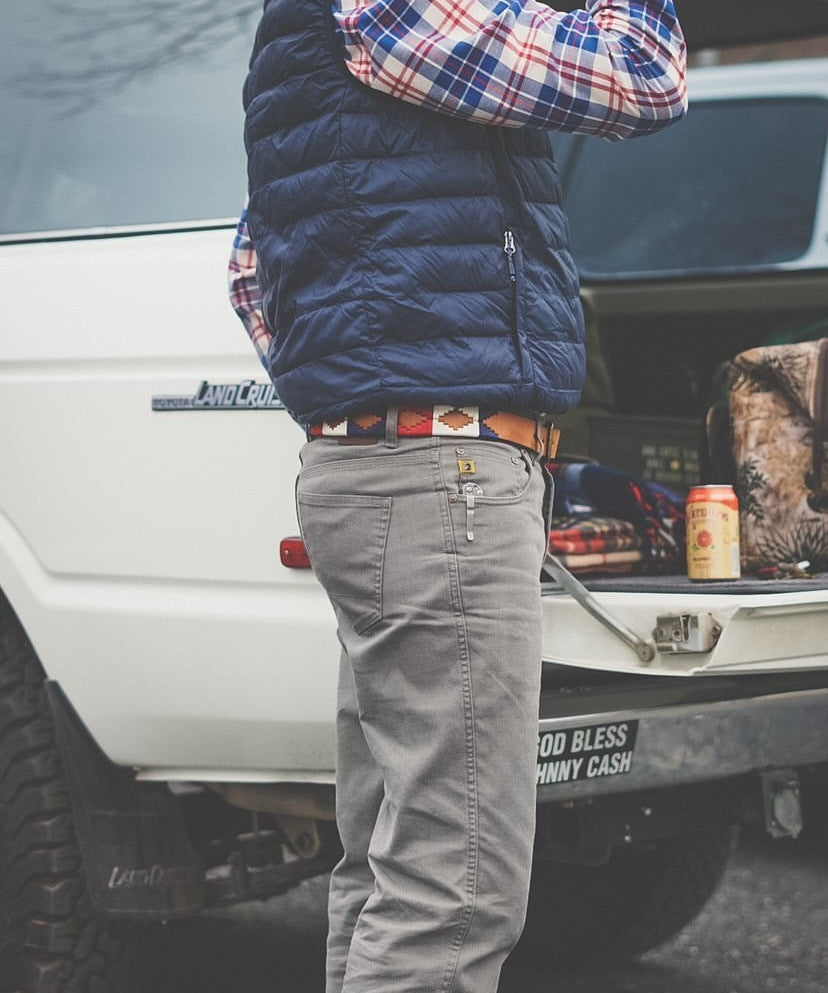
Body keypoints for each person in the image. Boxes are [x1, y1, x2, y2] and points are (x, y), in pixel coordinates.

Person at [229, 1, 686, 990]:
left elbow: (249, 275)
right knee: (456, 886)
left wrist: (367, 399)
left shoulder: (320, 45)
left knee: (394, 863)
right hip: (442, 480)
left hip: (397, 473)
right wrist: (438, 420)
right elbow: (644, 72)